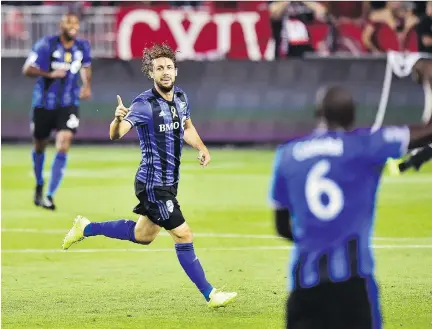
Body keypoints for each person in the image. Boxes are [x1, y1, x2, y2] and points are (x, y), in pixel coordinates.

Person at [62, 43, 237, 308]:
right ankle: (211, 294)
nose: (165, 72)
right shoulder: (143, 104)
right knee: (183, 234)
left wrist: (201, 147)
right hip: (153, 184)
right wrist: (117, 119)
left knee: (143, 235)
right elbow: (117, 134)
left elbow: (186, 127)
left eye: (169, 67)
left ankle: (86, 227)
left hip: (169, 182)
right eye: (159, 68)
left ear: (175, 71)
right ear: (152, 73)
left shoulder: (181, 98)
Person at [269, 86, 432, 329]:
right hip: (353, 287)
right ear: (353, 115)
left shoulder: (288, 154)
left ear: (318, 113)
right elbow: (425, 132)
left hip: (305, 287)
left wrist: (316, 239)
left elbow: (282, 227)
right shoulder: (366, 146)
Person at [23, 12, 92, 211]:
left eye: (76, 23)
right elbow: (27, 69)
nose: (74, 27)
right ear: (61, 25)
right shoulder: (46, 44)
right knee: (39, 146)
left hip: (68, 103)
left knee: (63, 143)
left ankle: (50, 196)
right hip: (44, 104)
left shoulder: (82, 47)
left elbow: (86, 67)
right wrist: (49, 73)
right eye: (70, 23)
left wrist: (87, 86)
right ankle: (39, 184)